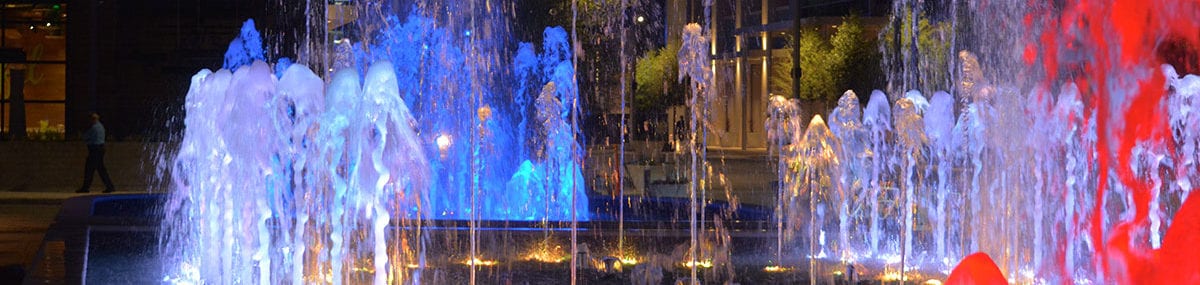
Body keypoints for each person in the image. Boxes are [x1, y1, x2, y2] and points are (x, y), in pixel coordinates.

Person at [76, 112, 115, 193]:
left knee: (89, 169)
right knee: (101, 169)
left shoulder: (94, 128)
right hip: (99, 149)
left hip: (94, 150)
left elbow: (86, 137)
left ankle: (86, 187)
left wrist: (82, 136)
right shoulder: (101, 127)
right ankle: (110, 186)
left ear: (93, 119)